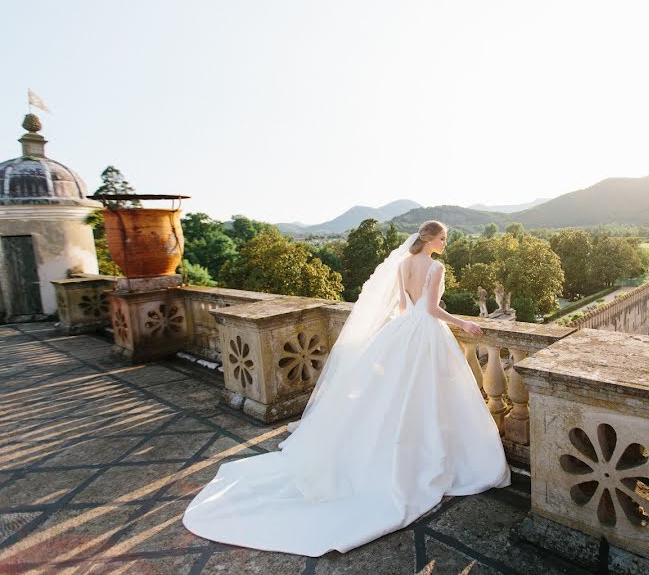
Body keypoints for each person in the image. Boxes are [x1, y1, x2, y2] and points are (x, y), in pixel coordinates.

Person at [182, 220, 511, 556]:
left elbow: (402, 308)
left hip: (403, 332)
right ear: (430, 239)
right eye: (443, 237)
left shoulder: (402, 264)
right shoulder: (435, 266)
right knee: (431, 398)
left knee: (394, 399)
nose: (445, 243)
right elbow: (431, 310)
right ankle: (430, 455)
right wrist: (465, 323)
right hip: (426, 332)